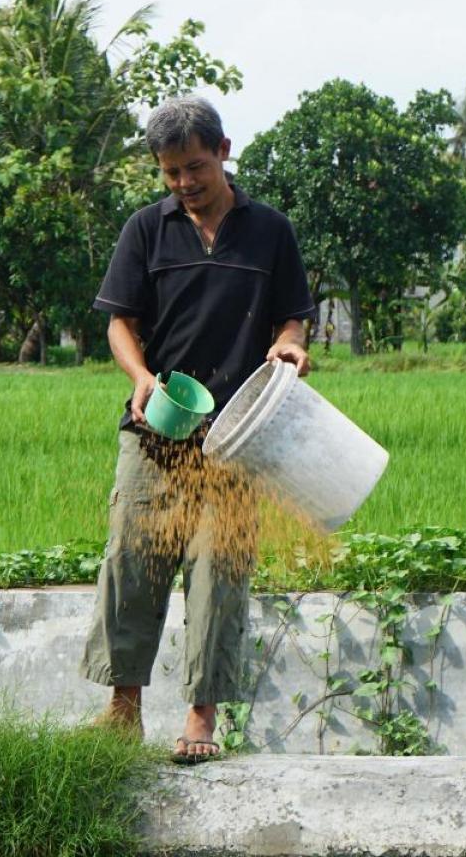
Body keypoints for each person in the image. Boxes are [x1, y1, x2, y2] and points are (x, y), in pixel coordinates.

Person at [79, 95, 315, 763]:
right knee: (132, 561)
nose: (184, 182)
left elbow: (292, 316)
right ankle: (122, 709)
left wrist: (290, 345)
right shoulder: (145, 230)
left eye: (195, 167)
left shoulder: (269, 231)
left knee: (218, 570)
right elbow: (119, 322)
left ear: (223, 151)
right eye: (171, 172)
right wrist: (139, 376)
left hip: (237, 436)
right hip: (154, 430)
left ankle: (200, 719)